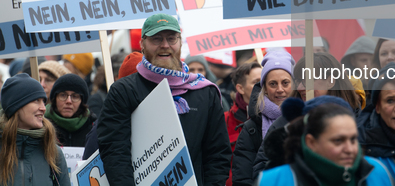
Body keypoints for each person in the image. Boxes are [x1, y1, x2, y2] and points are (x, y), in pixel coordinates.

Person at [97, 13, 231, 186]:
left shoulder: (205, 92)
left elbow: (217, 154)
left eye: (171, 38)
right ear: (142, 45)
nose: (165, 45)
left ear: (180, 42)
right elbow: (115, 152)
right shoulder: (123, 91)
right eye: (156, 39)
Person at [255, 100, 393, 186]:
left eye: (353, 139)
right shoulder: (273, 181)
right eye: (338, 141)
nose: (350, 149)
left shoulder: (376, 172)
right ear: (311, 142)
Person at [232, 50, 294, 186]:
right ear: (264, 88)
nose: (279, 89)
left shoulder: (307, 118)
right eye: (273, 84)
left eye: (285, 83)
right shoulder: (251, 128)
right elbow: (242, 179)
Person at [0, 74, 70, 186]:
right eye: (36, 100)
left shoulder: (52, 152)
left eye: (43, 101)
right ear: (17, 106)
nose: (43, 108)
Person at [225, 62, 262, 186]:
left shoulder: (277, 117)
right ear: (240, 88)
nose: (263, 86)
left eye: (266, 81)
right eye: (256, 82)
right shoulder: (224, 121)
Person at [44, 74, 96, 147]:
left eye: (75, 96)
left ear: (82, 101)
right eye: (63, 95)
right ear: (55, 98)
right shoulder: (42, 125)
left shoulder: (93, 128)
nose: (69, 101)